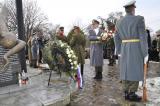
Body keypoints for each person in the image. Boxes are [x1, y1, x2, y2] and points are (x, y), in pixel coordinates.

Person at [114, 0, 148, 102]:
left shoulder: (119, 21)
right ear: (133, 9)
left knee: (125, 69)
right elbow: (143, 37)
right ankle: (132, 93)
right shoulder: (139, 19)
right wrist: (145, 52)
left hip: (124, 47)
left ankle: (125, 92)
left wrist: (119, 50)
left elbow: (116, 37)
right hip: (136, 47)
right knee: (135, 69)